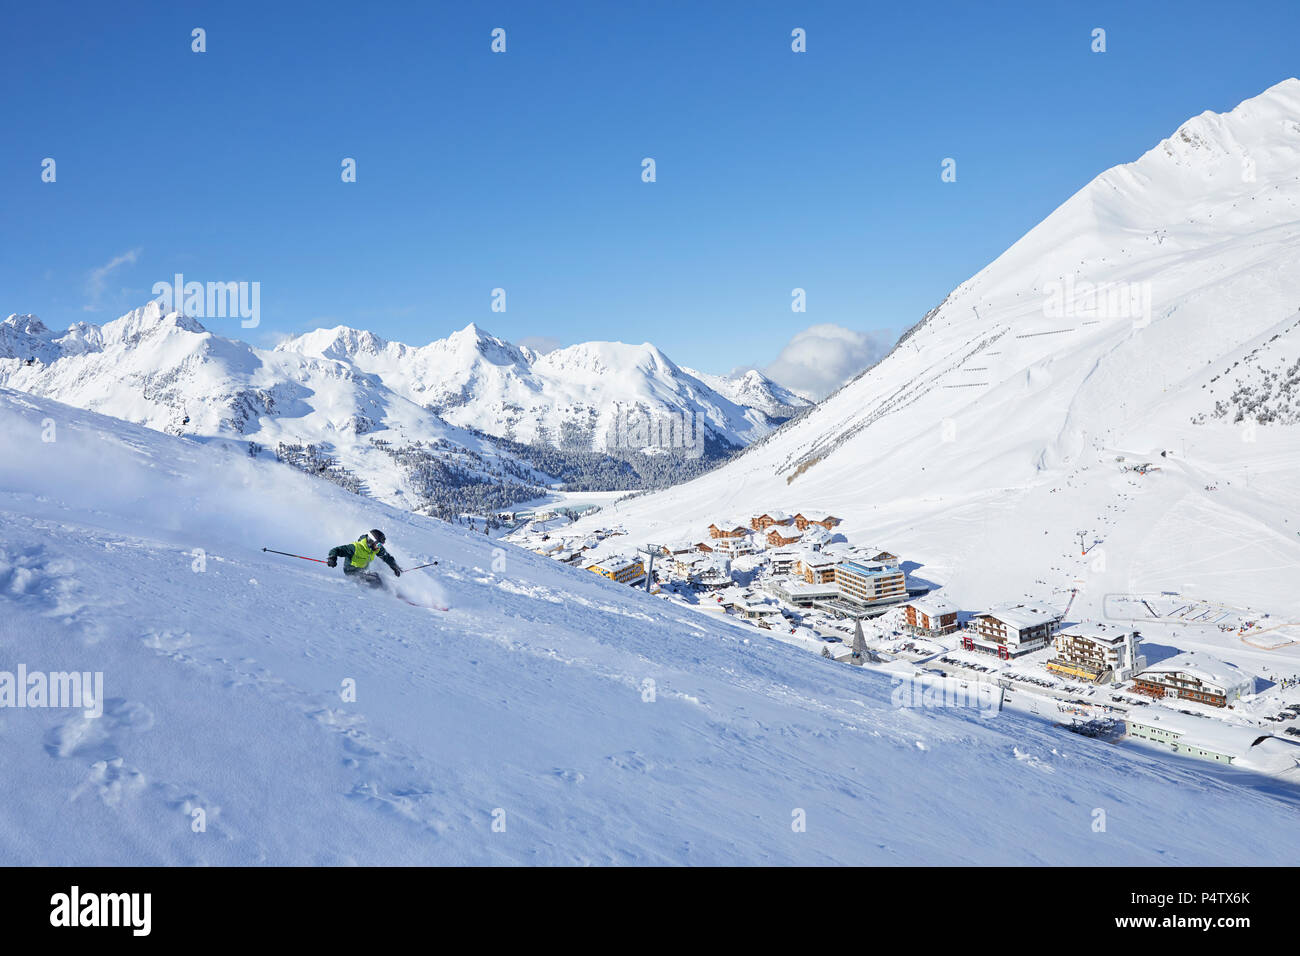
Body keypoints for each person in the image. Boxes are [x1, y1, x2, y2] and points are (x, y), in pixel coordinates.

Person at [327, 529, 401, 588]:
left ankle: (388, 590)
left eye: (381, 545)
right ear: (371, 541)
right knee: (376, 578)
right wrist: (332, 558)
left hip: (363, 571)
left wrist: (394, 567)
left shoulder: (376, 548)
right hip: (351, 571)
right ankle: (383, 594)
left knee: (378, 574)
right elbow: (336, 550)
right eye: (378, 544)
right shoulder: (355, 547)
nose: (380, 547)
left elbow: (386, 557)